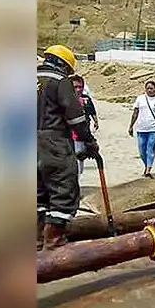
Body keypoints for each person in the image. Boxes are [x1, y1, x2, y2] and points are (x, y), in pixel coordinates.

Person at [37, 44, 98, 250]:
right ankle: (54, 243)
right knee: (63, 189)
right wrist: (88, 141)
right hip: (54, 142)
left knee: (38, 193)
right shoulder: (59, 81)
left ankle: (36, 241)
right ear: (63, 64)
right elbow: (76, 117)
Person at [128, 80, 155, 177]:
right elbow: (135, 113)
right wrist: (131, 126)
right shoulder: (140, 99)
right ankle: (146, 165)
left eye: (151, 88)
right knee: (142, 151)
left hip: (154, 129)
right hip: (141, 128)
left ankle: (148, 169)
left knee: (150, 148)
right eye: (148, 88)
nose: (149, 90)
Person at [70, 75, 99, 176]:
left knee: (80, 163)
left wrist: (95, 120)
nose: (78, 89)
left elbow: (91, 110)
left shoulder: (86, 99)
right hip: (69, 135)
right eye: (75, 87)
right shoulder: (65, 100)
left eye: (80, 87)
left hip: (83, 133)